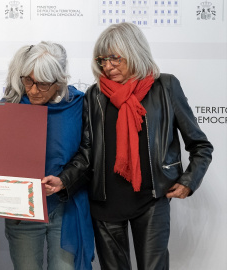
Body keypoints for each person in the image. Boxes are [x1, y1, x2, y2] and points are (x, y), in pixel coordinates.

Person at [54, 22, 214, 270]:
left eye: (114, 59)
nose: (107, 66)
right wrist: (64, 180)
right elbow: (87, 154)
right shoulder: (95, 95)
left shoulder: (166, 87)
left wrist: (189, 181)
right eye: (102, 60)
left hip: (151, 199)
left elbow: (201, 145)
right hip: (105, 203)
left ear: (134, 51)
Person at [0, 41, 95, 270]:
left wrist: (64, 180)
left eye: (42, 84)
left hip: (66, 208)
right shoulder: (10, 107)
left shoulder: (79, 104)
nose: (33, 90)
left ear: (59, 81)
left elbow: (89, 153)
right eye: (28, 81)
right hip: (23, 209)